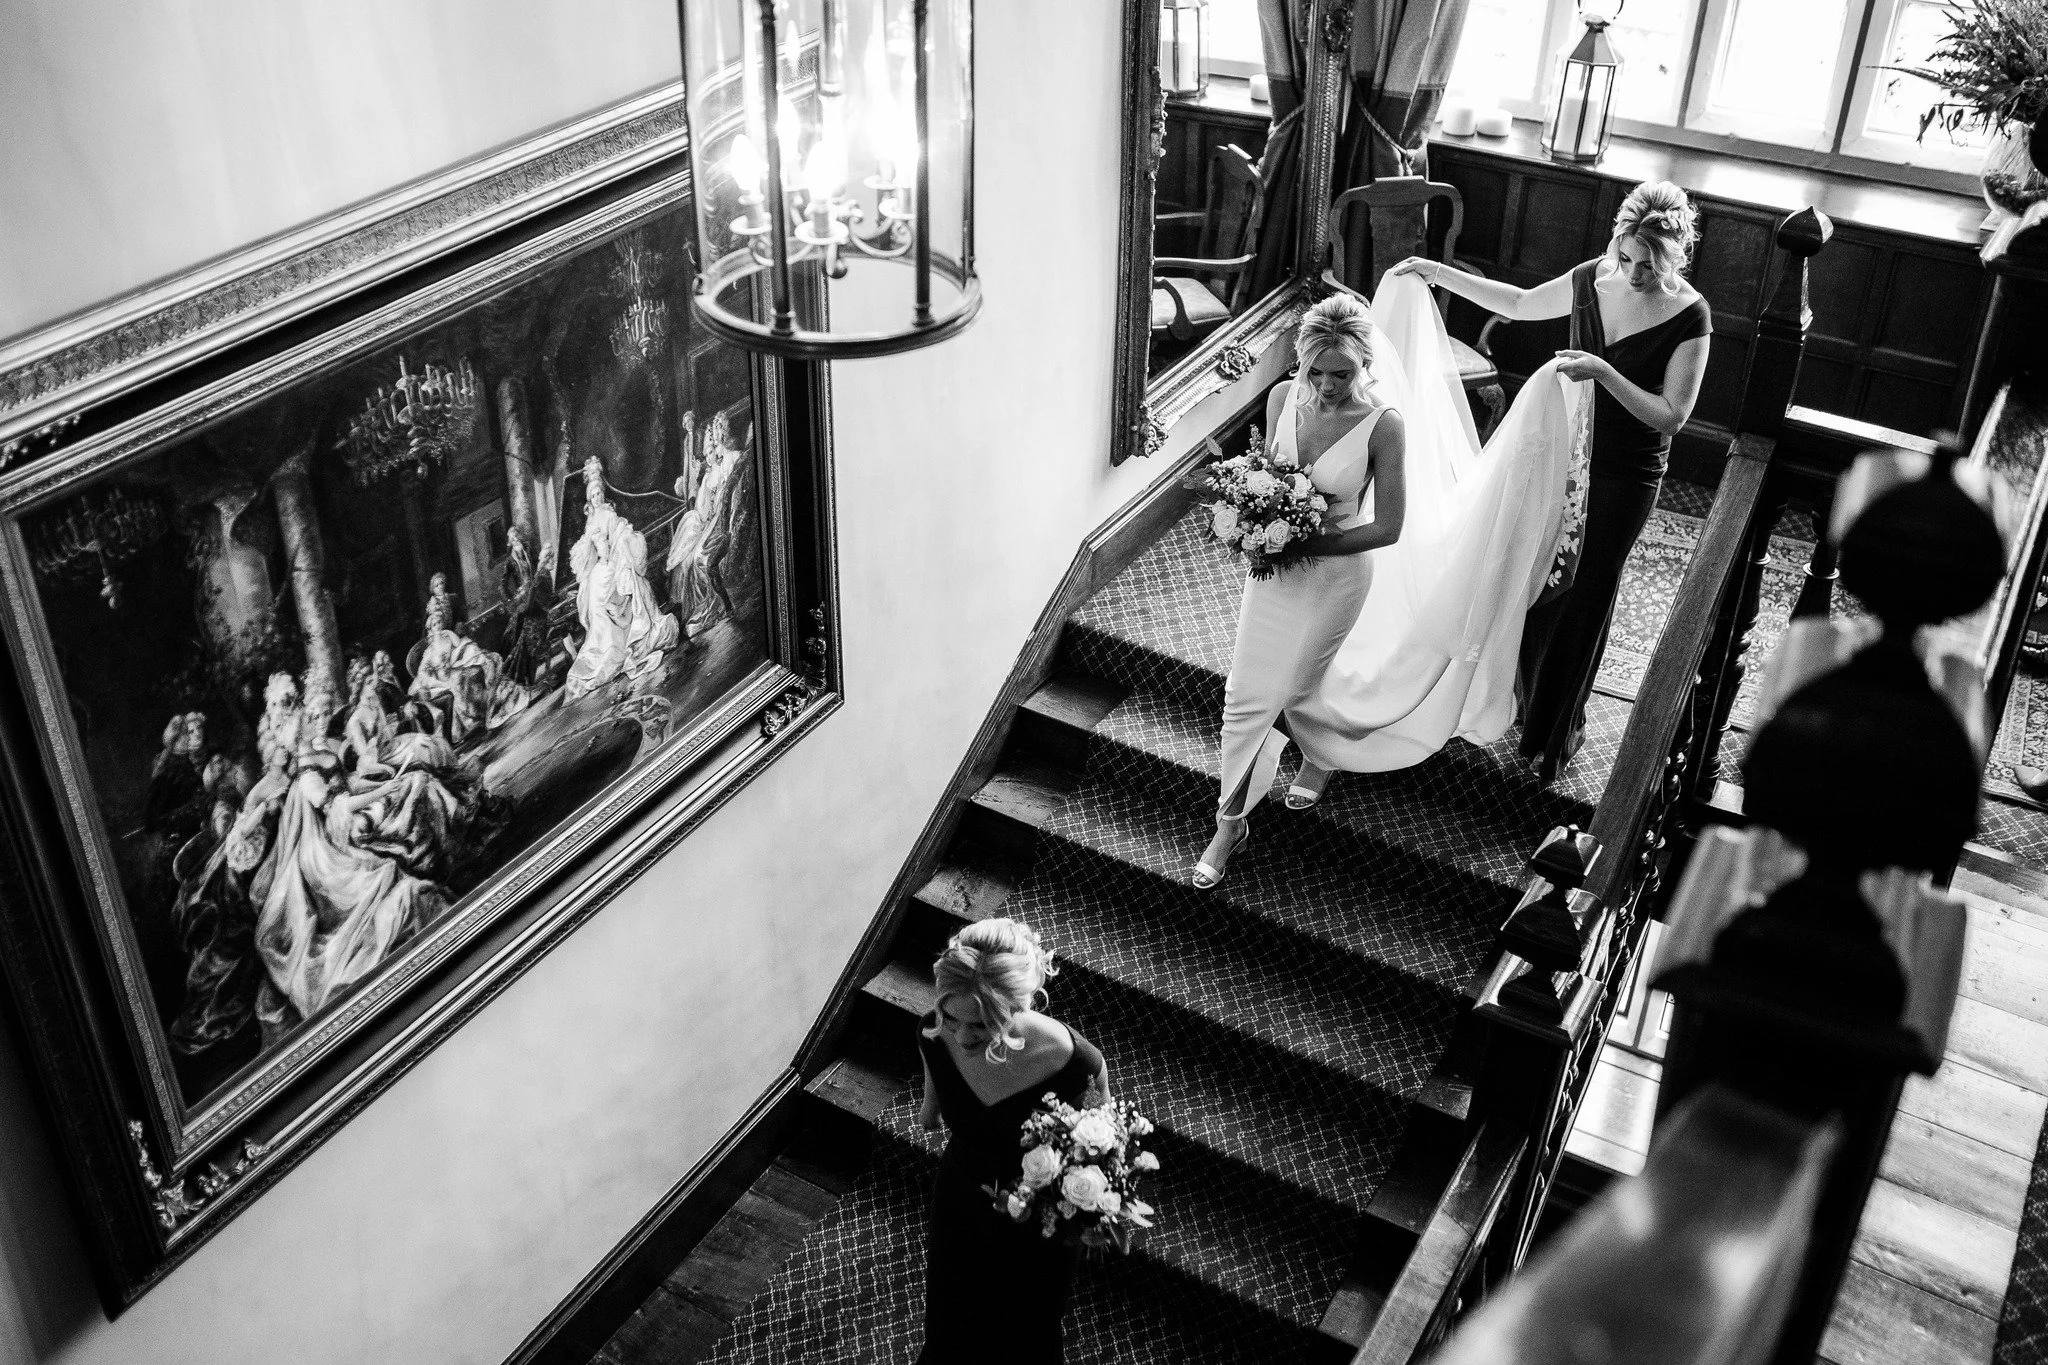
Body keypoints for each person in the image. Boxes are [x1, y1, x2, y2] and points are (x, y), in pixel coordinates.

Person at [1396, 180, 1711, 781]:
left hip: (1627, 473)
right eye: (1626, 257)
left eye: (1649, 265)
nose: (1633, 273)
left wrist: (1602, 371)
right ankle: (1516, 696)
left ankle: (1556, 724)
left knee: (1586, 591)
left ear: (1675, 256)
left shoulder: (1692, 317)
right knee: (1536, 572)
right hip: (1565, 455)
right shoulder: (1597, 275)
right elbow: (1515, 302)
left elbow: (1672, 415)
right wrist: (1439, 273)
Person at [1194, 294, 1408, 888]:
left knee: (1295, 686)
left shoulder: (1384, 426)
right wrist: (1249, 516)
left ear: (1365, 363)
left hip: (1336, 577)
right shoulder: (1281, 398)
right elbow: (1263, 472)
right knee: (1243, 696)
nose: (1326, 384)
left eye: (1341, 372)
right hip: (1273, 576)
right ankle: (1230, 822)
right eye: (1316, 370)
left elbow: (1388, 528)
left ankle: (1320, 755)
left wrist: (1305, 545)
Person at [916, 918, 1106, 1364]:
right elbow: (929, 1117)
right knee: (951, 1316)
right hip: (961, 1201)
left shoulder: (1075, 1058)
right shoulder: (932, 1031)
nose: (961, 1037)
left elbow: (1101, 1142)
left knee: (1029, 1321)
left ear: (1018, 1005)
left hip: (1042, 1213)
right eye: (951, 1017)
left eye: (981, 1025)